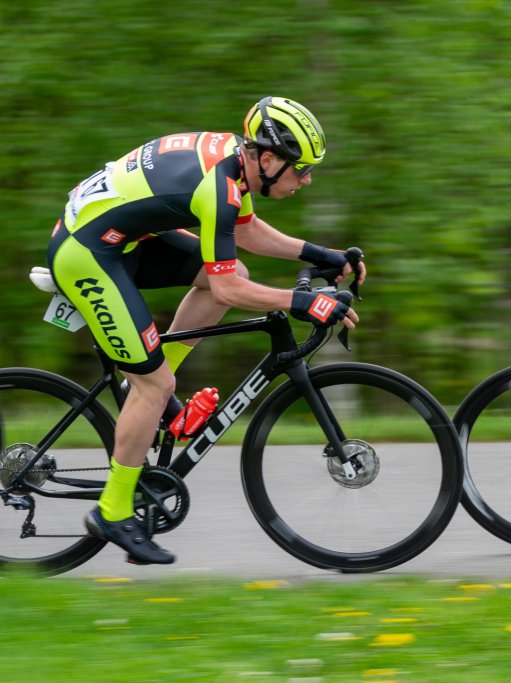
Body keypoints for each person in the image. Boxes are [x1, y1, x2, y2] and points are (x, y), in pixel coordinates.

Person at [47, 96, 365, 564]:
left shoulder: (236, 164)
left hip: (120, 237)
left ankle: (151, 396)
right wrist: (303, 301)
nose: (306, 180)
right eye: (301, 169)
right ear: (269, 160)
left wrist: (322, 256)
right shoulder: (220, 184)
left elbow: (246, 231)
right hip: (87, 253)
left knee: (221, 282)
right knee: (155, 382)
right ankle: (112, 511)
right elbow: (227, 288)